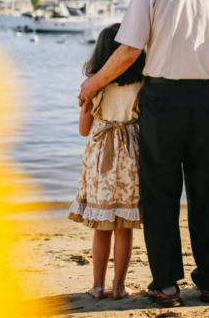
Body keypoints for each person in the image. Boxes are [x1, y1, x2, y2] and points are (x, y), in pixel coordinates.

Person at [78, 0, 209, 306]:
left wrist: (94, 83)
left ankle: (166, 284)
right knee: (206, 192)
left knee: (162, 194)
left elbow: (129, 50)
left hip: (162, 100)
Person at [69, 24, 146, 300]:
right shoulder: (142, 83)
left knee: (102, 227)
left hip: (101, 157)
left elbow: (83, 129)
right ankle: (120, 287)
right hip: (130, 157)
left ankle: (98, 286)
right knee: (124, 226)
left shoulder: (95, 86)